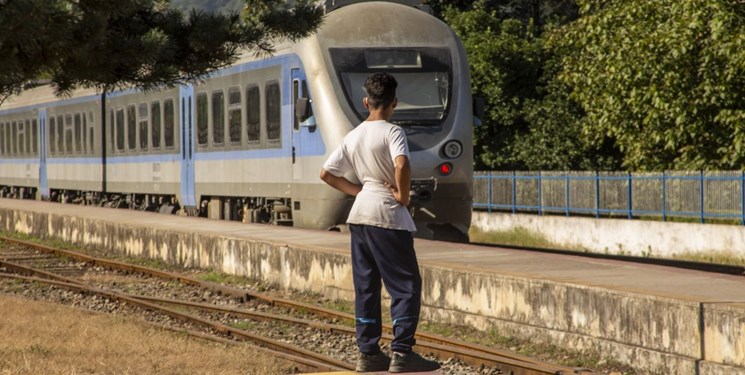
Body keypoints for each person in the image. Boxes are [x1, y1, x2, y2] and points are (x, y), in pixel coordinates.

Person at [320, 72, 440, 373]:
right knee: (406, 286)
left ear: (366, 101)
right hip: (387, 217)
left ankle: (369, 353)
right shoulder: (393, 131)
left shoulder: (355, 134)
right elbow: (402, 163)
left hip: (360, 216)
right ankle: (402, 353)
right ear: (394, 102)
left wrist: (359, 191)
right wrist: (402, 196)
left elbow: (326, 174)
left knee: (367, 286)